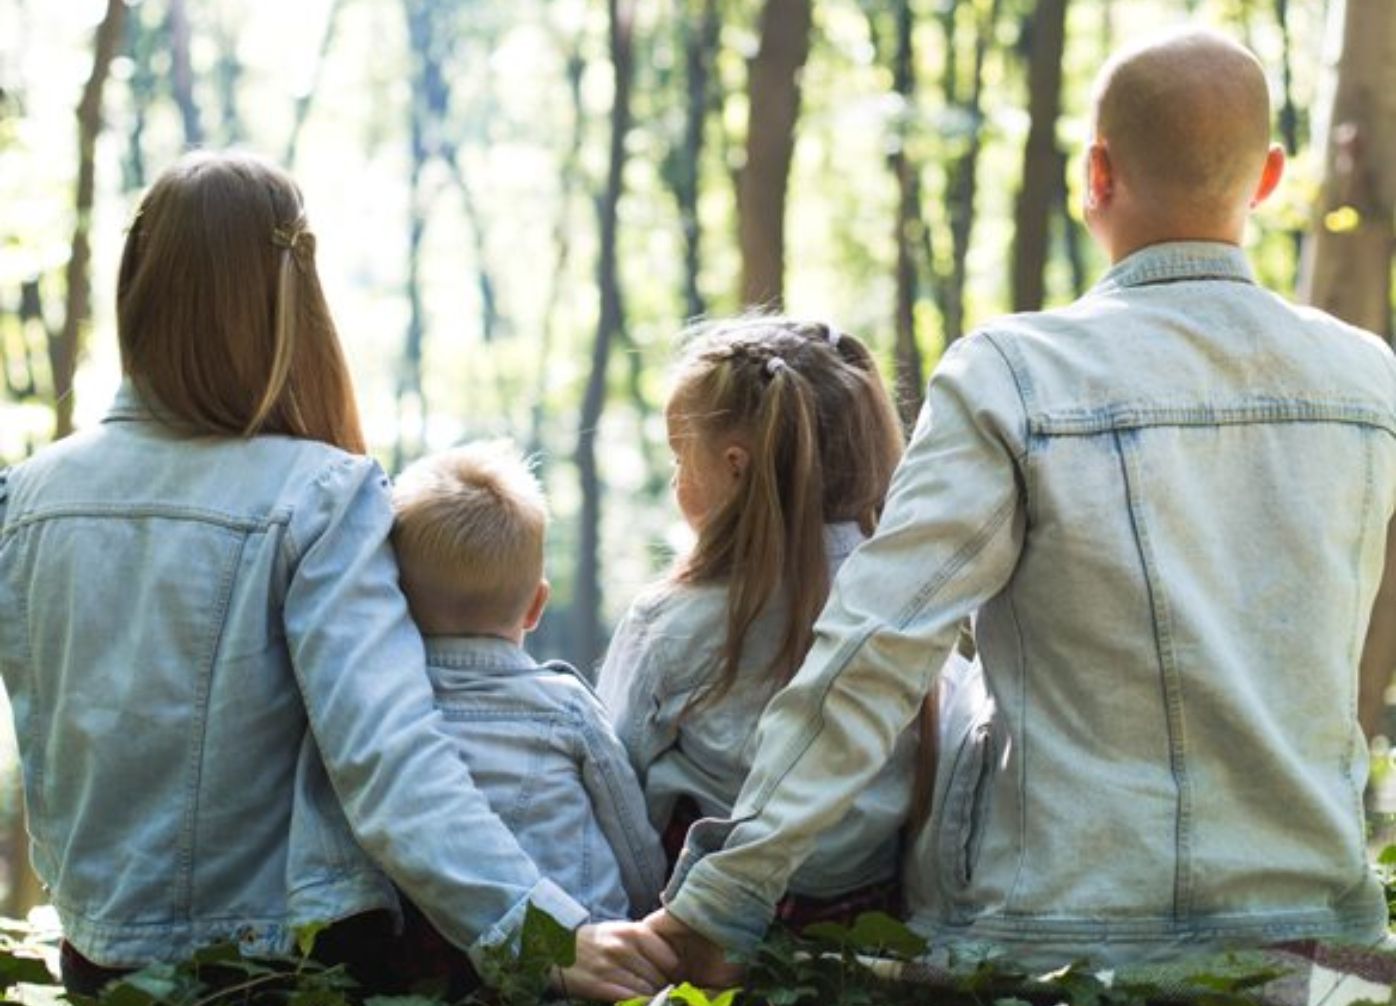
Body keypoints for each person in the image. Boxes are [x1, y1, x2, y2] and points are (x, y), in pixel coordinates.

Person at [646, 28, 1396, 979]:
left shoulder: (1015, 376)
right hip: (1313, 947)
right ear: (1270, 178)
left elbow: (877, 647)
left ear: (1094, 174)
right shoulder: (1370, 383)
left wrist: (724, 898)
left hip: (1054, 945)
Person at [0, 150, 674, 1001]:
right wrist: (542, 934)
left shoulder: (24, 496)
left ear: (138, 282)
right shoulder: (320, 495)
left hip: (96, 965)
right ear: (292, 298)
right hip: (273, 972)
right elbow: (390, 759)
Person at [598, 316, 936, 927]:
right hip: (869, 918)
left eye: (681, 457)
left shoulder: (673, 622)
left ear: (734, 465)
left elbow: (615, 785)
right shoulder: (910, 598)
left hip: (707, 928)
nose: (676, 479)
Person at [389, 439, 666, 925]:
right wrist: (649, 912)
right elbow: (630, 836)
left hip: (435, 955)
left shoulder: (382, 711)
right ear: (537, 607)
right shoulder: (565, 708)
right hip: (583, 945)